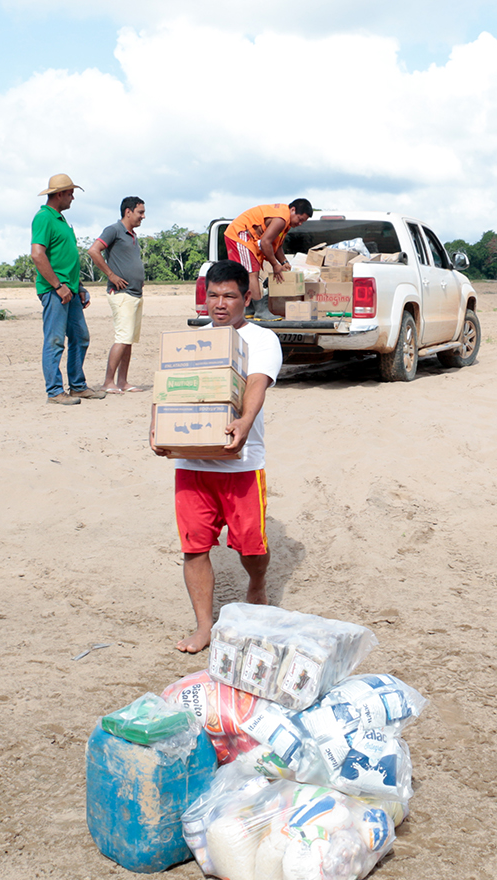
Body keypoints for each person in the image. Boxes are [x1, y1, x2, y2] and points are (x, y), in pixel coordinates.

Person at [151, 260, 283, 654]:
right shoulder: (192, 341)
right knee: (194, 546)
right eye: (213, 295)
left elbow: (257, 384)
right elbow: (170, 388)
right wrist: (158, 429)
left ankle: (256, 584)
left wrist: (243, 422)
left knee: (251, 547)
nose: (219, 304)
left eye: (229, 296)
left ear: (247, 298)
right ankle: (204, 626)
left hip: (241, 464)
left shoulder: (261, 340)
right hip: (191, 464)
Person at [31, 173, 104, 405]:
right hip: (56, 291)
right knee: (54, 340)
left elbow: (65, 258)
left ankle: (78, 386)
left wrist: (78, 286)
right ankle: (54, 391)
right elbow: (37, 254)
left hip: (70, 290)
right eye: (70, 193)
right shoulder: (44, 217)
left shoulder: (60, 220)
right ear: (59, 194)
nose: (73, 197)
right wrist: (57, 286)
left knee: (80, 337)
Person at [88, 196, 148, 393]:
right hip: (122, 294)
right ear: (128, 211)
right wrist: (112, 275)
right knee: (123, 337)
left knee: (129, 339)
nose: (143, 216)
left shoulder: (133, 235)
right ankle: (108, 382)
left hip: (135, 293)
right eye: (140, 212)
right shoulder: (113, 230)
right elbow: (94, 251)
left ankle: (122, 381)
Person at [223, 199, 314, 321]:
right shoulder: (281, 219)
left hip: (248, 237)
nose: (300, 224)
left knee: (249, 273)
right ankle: (260, 311)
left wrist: (284, 262)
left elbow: (277, 245)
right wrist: (275, 265)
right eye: (300, 219)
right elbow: (266, 242)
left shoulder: (285, 223)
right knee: (251, 274)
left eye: (303, 222)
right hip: (240, 234)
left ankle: (250, 308)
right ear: (293, 210)